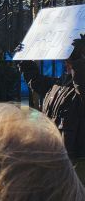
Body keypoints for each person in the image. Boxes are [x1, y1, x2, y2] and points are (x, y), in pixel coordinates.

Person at [18, 39, 85, 182]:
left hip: (78, 160)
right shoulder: (62, 82)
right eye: (66, 59)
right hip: (57, 155)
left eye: (70, 59)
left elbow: (81, 85)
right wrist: (24, 61)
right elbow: (37, 82)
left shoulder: (80, 85)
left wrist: (77, 61)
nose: (66, 62)